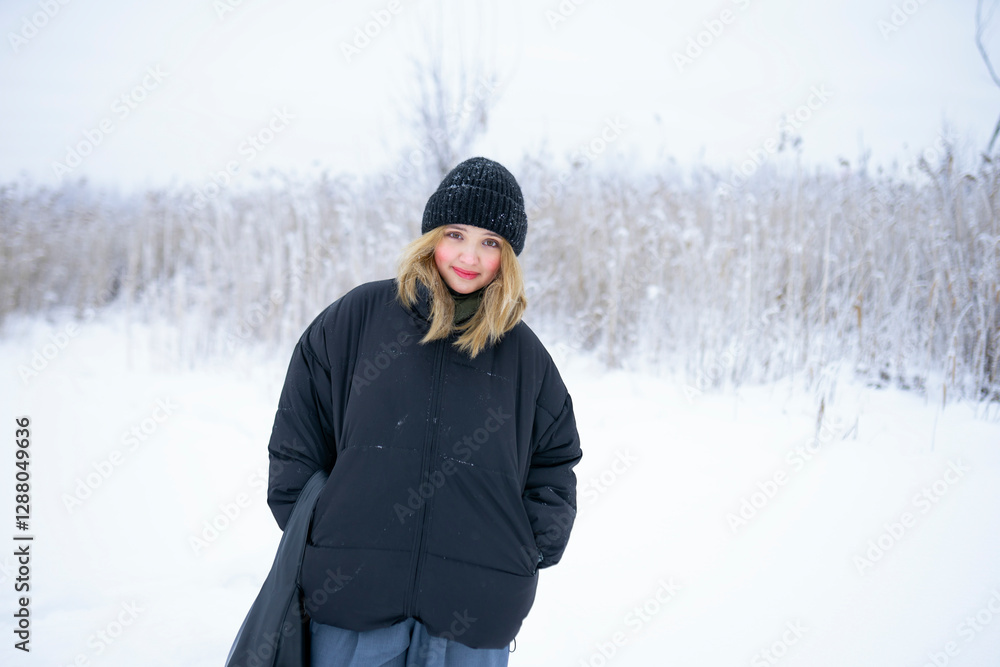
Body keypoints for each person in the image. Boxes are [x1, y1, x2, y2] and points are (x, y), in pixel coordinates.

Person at [266, 156, 583, 667]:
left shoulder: (526, 357)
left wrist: (526, 548)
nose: (469, 256)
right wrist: (322, 530)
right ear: (431, 237)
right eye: (456, 234)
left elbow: (555, 461)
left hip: (474, 616)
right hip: (352, 604)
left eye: (490, 242)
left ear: (508, 257)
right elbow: (297, 438)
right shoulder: (356, 319)